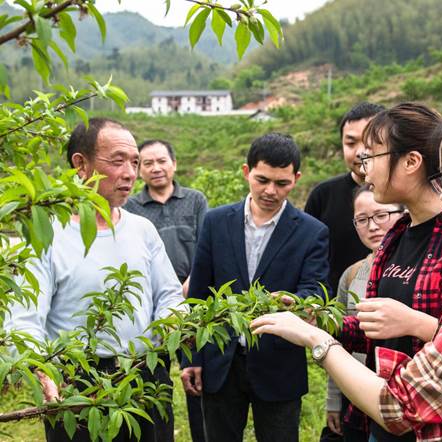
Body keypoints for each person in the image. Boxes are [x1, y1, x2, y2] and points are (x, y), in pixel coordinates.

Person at [251, 95, 442, 441]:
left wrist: (315, 338)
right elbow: (383, 330)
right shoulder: (405, 236)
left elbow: (401, 405)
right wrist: (317, 319)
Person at [260, 103, 442, 442]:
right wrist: (315, 319)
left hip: (436, 422)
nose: (362, 165)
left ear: (411, 162)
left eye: (372, 156)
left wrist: (416, 323)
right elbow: (373, 329)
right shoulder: (396, 236)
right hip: (382, 414)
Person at [5, 118, 184, 442]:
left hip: (145, 376)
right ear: (81, 164)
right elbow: (24, 319)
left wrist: (171, 326)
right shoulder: (47, 234)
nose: (130, 173)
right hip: (76, 383)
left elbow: (170, 295)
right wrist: (41, 370)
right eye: (118, 161)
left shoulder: (142, 230)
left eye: (134, 162)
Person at [181, 133, 330, 442]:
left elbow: (313, 290)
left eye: (282, 183)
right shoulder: (216, 221)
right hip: (221, 360)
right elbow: (198, 296)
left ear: (296, 179)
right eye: (262, 180)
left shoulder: (312, 232)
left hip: (278, 364)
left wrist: (293, 301)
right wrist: (191, 357)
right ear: (246, 171)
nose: (270, 191)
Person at [124, 139, 207, 442]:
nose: (156, 168)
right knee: (153, 379)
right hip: (150, 310)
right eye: (147, 163)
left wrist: (190, 283)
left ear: (174, 163)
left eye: (161, 161)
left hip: (192, 301)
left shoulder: (195, 200)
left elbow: (204, 246)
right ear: (139, 169)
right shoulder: (131, 206)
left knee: (197, 376)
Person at [326, 185, 404, 441]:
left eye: (381, 215)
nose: (372, 226)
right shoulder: (352, 274)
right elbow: (338, 342)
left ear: (402, 213)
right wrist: (334, 401)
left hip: (401, 397)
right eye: (362, 219)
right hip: (356, 399)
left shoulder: (415, 271)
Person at [305, 102, 385, 298]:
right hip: (333, 310)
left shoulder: (401, 195)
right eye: (350, 143)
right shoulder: (322, 195)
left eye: (367, 143)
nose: (359, 152)